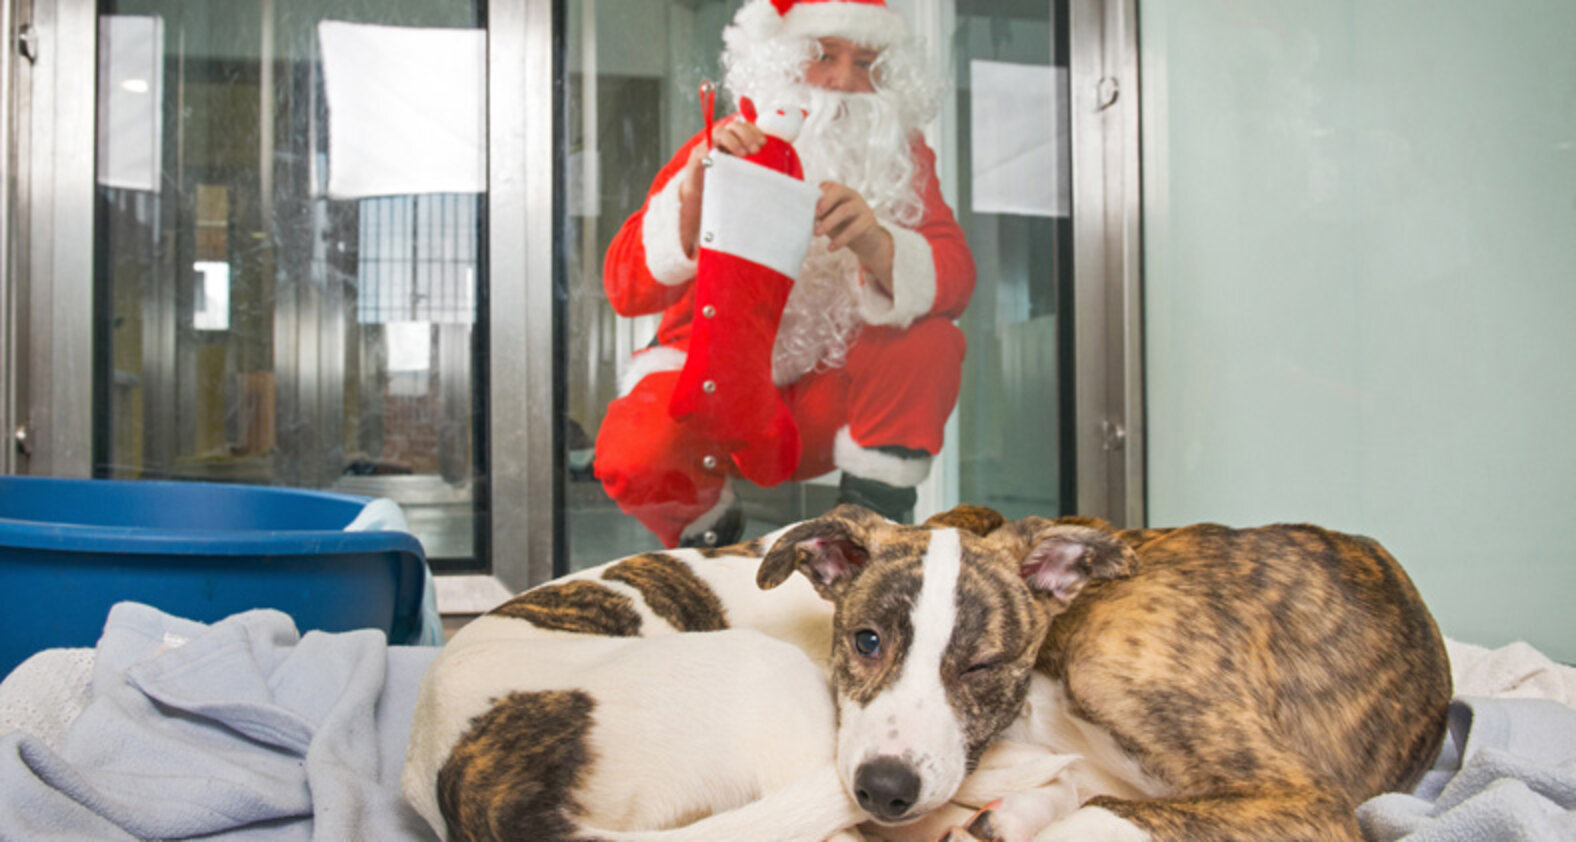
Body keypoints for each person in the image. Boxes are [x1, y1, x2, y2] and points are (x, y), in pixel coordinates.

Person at [595, 0, 976, 548]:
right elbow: (624, 287)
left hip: (833, 398)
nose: (844, 80)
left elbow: (956, 278)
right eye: (824, 56)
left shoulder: (903, 160)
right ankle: (710, 529)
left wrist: (877, 242)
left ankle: (872, 533)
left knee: (930, 341)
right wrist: (693, 201)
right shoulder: (723, 143)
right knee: (636, 451)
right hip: (715, 388)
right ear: (783, 60)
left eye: (867, 64)